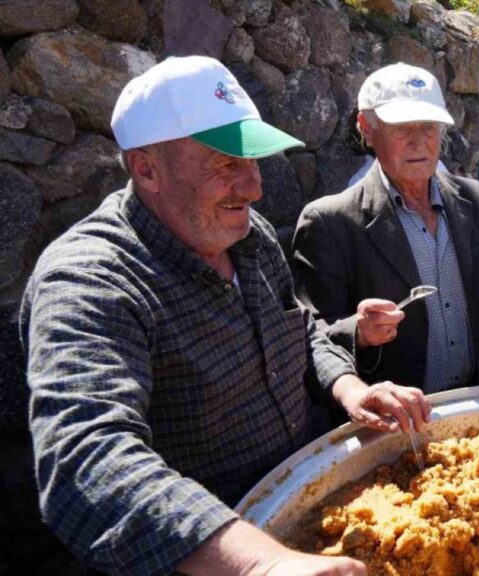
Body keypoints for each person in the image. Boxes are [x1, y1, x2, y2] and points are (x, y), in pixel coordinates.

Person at [19, 56, 431, 576]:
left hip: (306, 515)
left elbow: (297, 328)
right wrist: (260, 565)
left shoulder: (248, 234)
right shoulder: (90, 280)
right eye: (225, 164)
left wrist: (348, 387)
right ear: (146, 168)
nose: (254, 188)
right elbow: (85, 456)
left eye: (253, 161)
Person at [292, 63, 479, 393]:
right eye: (402, 128)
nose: (419, 143)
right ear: (367, 128)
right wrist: (358, 331)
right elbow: (312, 335)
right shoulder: (331, 223)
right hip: (400, 420)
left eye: (429, 127)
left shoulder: (477, 200)